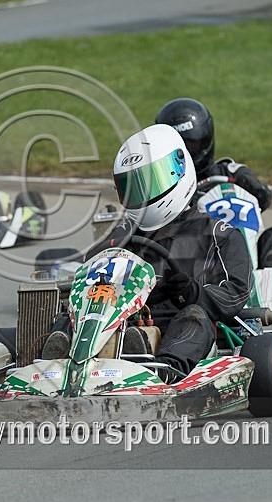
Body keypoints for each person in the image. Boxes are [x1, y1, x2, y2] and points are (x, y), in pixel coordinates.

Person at [42, 124, 253, 382]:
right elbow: (92, 276)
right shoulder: (119, 237)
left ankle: (162, 375)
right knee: (70, 316)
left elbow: (235, 295)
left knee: (194, 317)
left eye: (149, 183)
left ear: (179, 169)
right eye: (133, 186)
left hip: (181, 326)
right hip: (122, 323)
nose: (142, 195)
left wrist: (190, 292)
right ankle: (53, 367)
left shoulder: (219, 234)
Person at [155, 97, 272, 212]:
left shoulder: (228, 173)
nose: (187, 153)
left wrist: (255, 188)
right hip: (189, 230)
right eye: (180, 149)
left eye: (191, 145)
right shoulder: (164, 184)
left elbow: (264, 200)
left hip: (233, 229)